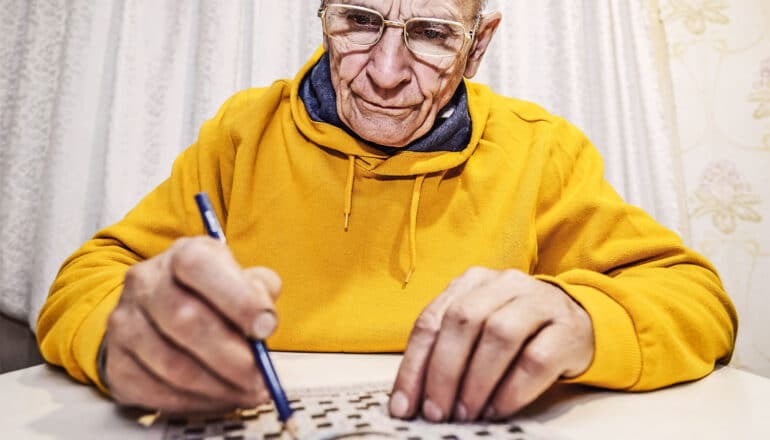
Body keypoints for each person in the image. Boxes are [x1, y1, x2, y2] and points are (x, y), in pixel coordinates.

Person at [37, 0, 737, 424]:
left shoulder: (539, 151)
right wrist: (117, 342)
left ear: (479, 46)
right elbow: (85, 282)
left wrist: (583, 322)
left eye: (432, 33)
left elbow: (697, 301)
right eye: (359, 22)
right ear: (325, 12)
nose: (386, 72)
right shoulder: (241, 134)